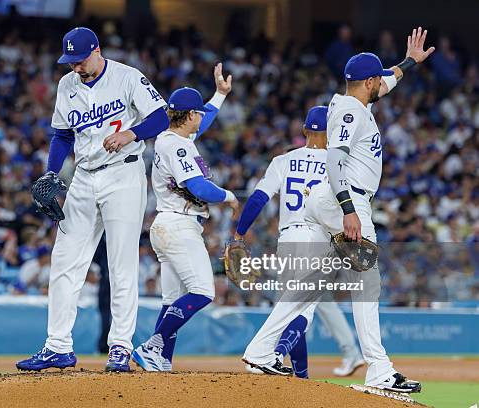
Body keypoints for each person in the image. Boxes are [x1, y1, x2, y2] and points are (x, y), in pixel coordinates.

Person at [241, 27, 434, 393]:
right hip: (344, 199)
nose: (383, 83)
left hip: (333, 199)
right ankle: (379, 369)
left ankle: (260, 349)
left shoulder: (355, 102)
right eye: (378, 79)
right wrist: (348, 210)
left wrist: (410, 61)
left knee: (313, 284)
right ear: (368, 82)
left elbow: (389, 80)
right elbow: (333, 160)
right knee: (367, 281)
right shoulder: (349, 111)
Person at [16, 27, 169, 373]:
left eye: (80, 60)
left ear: (97, 50)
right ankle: (57, 346)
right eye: (70, 62)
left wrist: (133, 132)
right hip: (83, 178)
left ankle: (120, 346)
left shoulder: (128, 77)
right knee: (64, 261)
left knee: (121, 264)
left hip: (123, 174)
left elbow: (161, 116)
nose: (75, 68)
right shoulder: (66, 86)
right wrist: (52, 173)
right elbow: (61, 135)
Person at [235, 106, 363, 378]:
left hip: (288, 238)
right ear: (330, 134)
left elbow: (258, 198)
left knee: (290, 306)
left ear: (305, 131)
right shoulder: (337, 163)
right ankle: (273, 354)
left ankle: (300, 375)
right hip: (319, 239)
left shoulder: (283, 161)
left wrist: (239, 232)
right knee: (304, 311)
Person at [132, 71, 238, 372]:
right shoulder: (176, 146)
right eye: (198, 113)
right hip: (179, 225)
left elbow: (203, 123)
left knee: (172, 300)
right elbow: (198, 187)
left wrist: (220, 94)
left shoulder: (173, 137)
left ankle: (161, 358)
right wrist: (229, 196)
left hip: (169, 224)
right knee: (203, 291)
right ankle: (154, 344)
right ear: (189, 114)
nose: (201, 118)